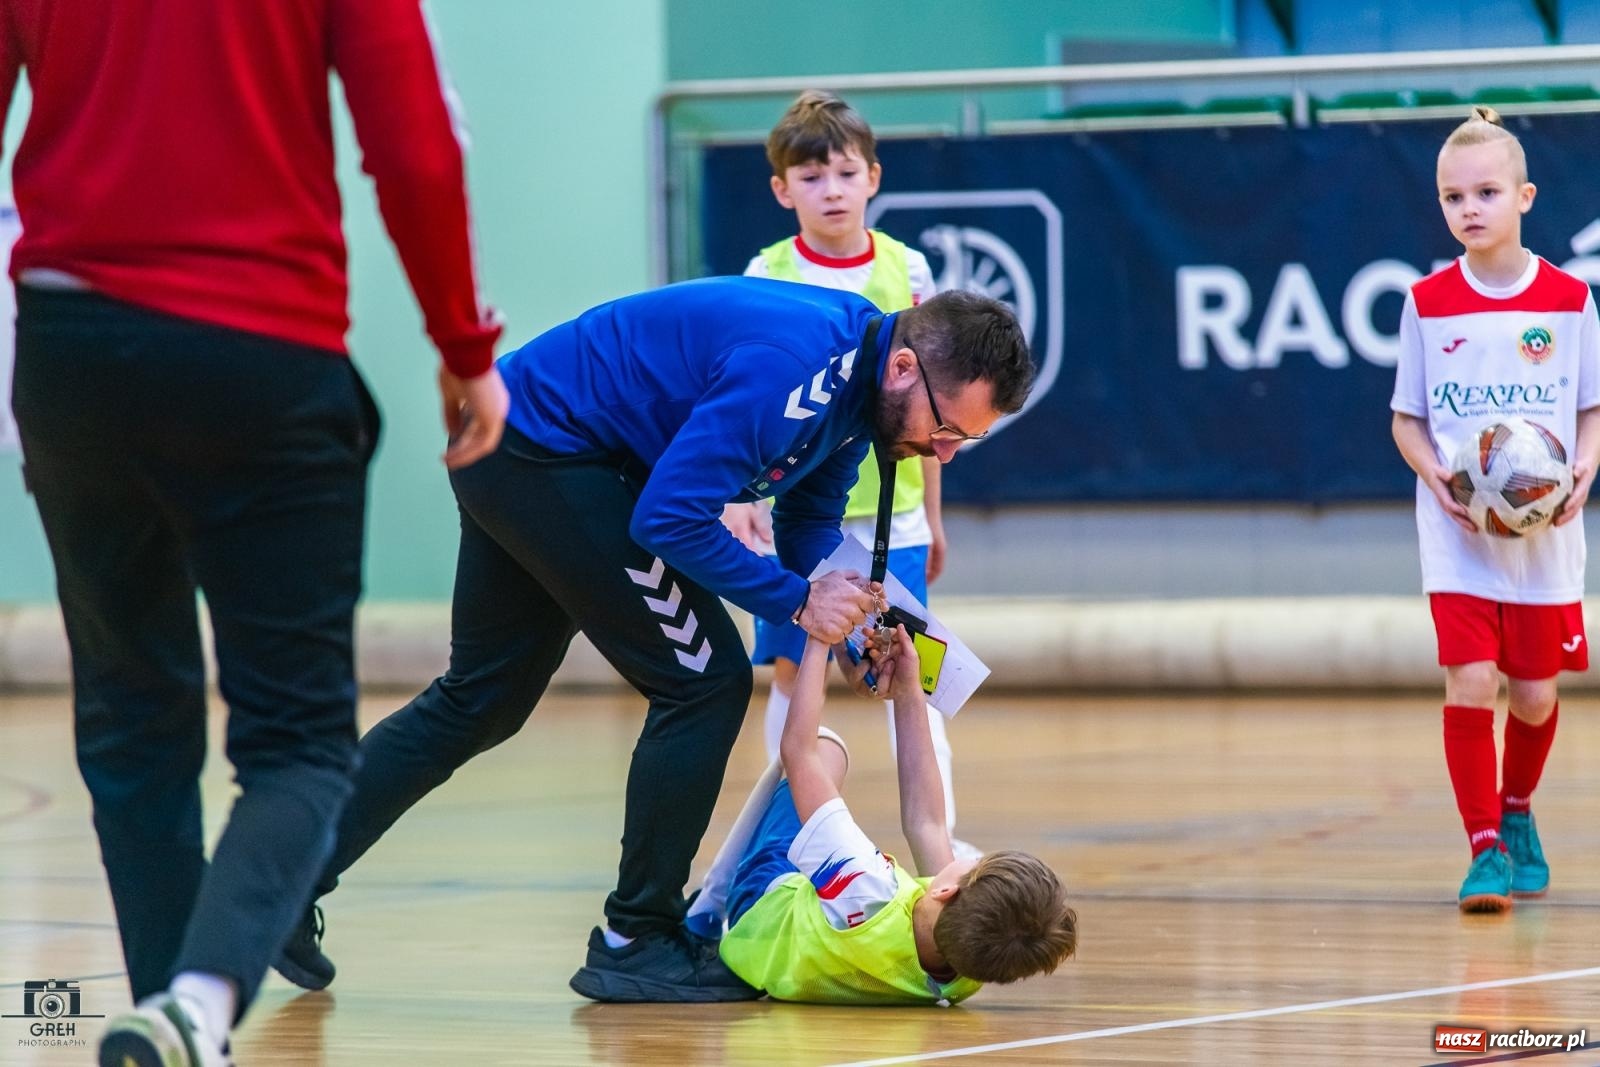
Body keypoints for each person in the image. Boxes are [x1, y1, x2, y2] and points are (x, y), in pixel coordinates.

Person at [271, 276, 1036, 1003]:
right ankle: (636, 936)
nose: (943, 453)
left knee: (480, 700)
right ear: (904, 367)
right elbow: (668, 519)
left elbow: (805, 527)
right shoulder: (799, 373)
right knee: (705, 681)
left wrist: (854, 630)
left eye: (961, 442)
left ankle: (286, 876)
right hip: (549, 455)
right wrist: (801, 601)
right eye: (944, 429)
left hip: (520, 443)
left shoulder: (860, 393)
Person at [2, 3, 508, 1063]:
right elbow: (415, 145)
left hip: (68, 353)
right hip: (259, 356)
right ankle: (198, 999)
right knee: (298, 744)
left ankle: (172, 1023)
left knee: (131, 722)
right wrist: (462, 342)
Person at [721, 90, 976, 857]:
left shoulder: (908, 269)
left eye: (843, 172)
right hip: (790, 522)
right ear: (781, 189)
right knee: (793, 668)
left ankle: (943, 842)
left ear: (872, 176)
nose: (829, 190)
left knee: (916, 670)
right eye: (810, 176)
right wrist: (744, 501)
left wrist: (930, 516)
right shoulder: (766, 271)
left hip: (886, 521)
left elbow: (930, 413)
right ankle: (788, 842)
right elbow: (742, 397)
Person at [1390, 106, 1600, 913]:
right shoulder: (1427, 302)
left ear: (1525, 197)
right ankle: (1482, 846)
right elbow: (1405, 417)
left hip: (1546, 538)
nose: (1468, 209)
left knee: (1536, 695)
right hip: (1459, 534)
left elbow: (1590, 407)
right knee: (1470, 680)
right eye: (1452, 197)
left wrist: (1580, 470)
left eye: (1485, 192)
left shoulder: (1568, 297)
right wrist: (1436, 474)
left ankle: (1517, 811)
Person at [683, 625, 1077, 1004]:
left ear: (947, 890)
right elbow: (926, 822)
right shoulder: (961, 975)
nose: (967, 857)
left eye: (975, 861)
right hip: (793, 965)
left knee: (826, 751)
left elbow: (797, 751)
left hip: (756, 918)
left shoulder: (865, 885)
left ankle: (709, 908)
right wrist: (910, 690)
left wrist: (819, 640)